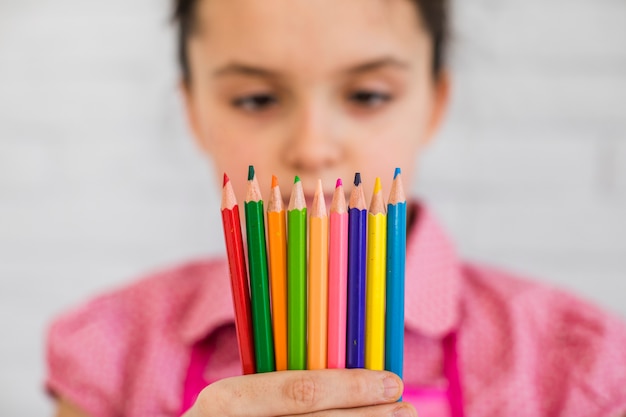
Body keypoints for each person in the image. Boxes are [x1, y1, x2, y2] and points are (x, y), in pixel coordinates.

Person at [47, 0, 626, 416]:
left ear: (434, 103)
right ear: (195, 112)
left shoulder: (580, 364)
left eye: (368, 95)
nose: (314, 147)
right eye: (256, 98)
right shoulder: (113, 350)